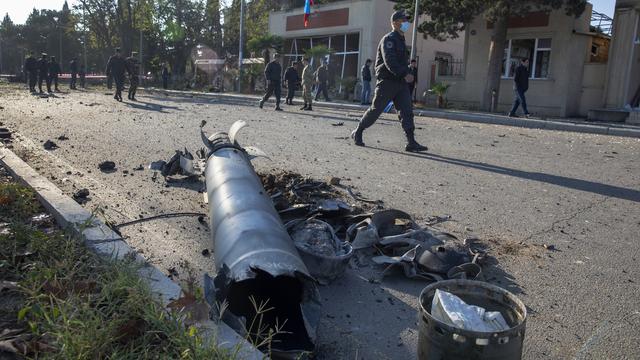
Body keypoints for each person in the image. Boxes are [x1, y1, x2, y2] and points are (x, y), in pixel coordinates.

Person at [350, 10, 428, 153]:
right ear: (395, 22)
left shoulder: (401, 40)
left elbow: (401, 63)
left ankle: (411, 142)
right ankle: (358, 131)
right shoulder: (389, 39)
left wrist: (408, 73)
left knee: (406, 111)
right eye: (403, 20)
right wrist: (405, 73)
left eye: (406, 20)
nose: (406, 23)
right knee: (375, 110)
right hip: (387, 82)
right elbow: (389, 61)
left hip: (400, 83)